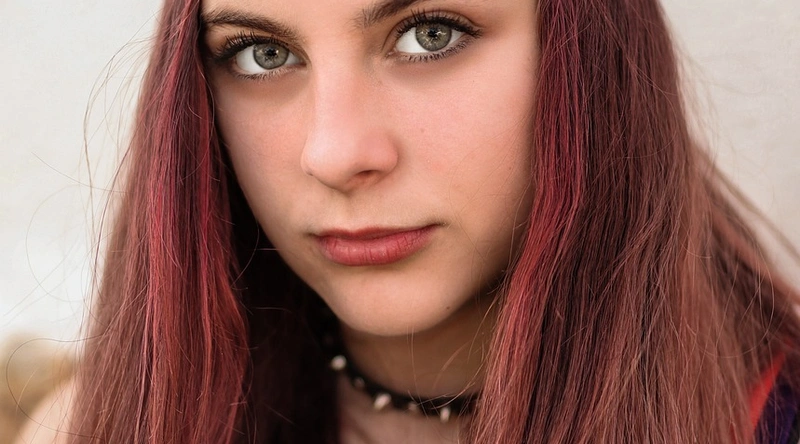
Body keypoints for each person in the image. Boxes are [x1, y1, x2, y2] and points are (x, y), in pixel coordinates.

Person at [16, 0, 800, 443]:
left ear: (592, 53)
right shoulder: (101, 428)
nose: (334, 154)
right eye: (261, 54)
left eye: (431, 34)